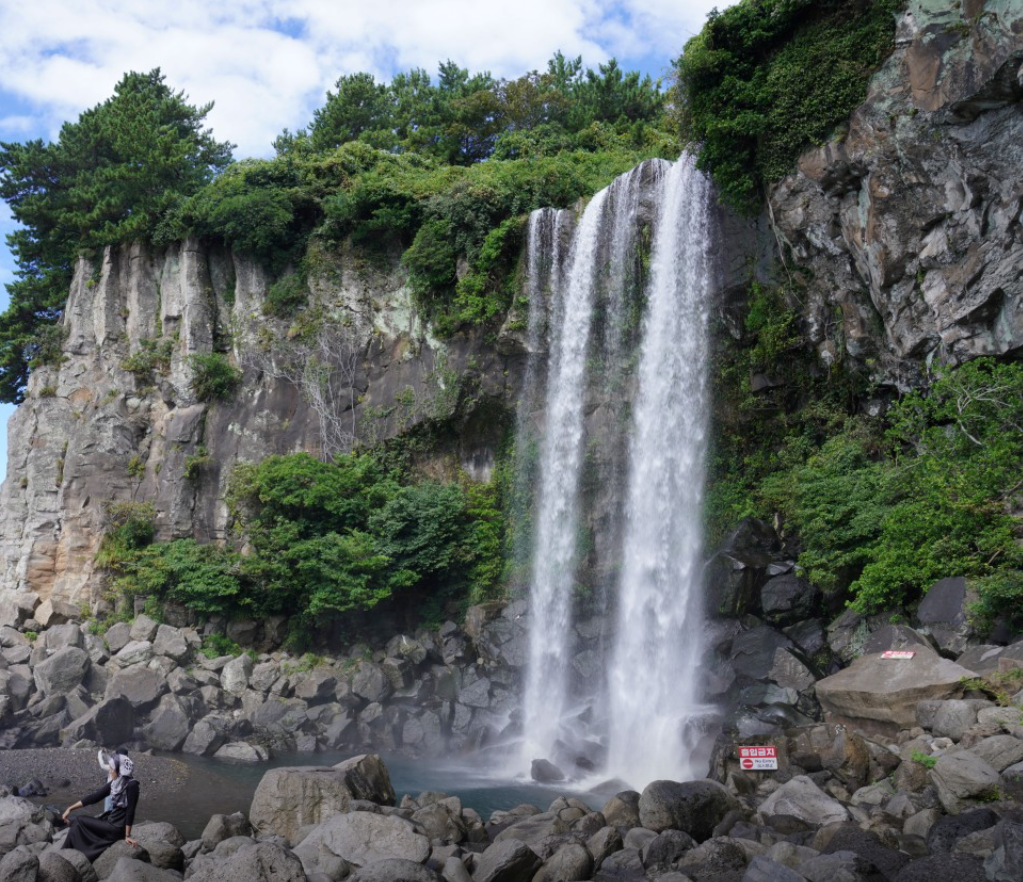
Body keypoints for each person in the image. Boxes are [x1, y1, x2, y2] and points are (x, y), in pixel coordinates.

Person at [61, 753, 140, 861]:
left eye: (112, 769)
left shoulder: (132, 785)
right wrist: (70, 808)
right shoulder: (116, 783)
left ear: (120, 769)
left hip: (115, 828)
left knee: (79, 821)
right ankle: (69, 853)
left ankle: (64, 853)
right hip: (112, 822)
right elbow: (95, 797)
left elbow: (131, 811)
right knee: (82, 822)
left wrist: (127, 835)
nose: (110, 771)